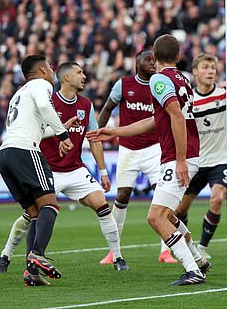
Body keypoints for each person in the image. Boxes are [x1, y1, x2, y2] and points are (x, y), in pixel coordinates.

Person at [88, 35, 210, 286]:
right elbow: (158, 121)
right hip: (182, 154)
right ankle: (198, 260)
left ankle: (192, 270)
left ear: (154, 57)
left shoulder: (158, 79)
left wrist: (180, 160)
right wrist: (115, 131)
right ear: (178, 56)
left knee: (155, 217)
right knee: (168, 215)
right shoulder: (182, 80)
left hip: (177, 156)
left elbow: (176, 116)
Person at [0, 61, 128, 275]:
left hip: (73, 169)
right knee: (37, 213)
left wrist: (102, 171)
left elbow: (93, 139)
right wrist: (63, 136)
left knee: (101, 204)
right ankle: (9, 255)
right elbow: (44, 113)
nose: (84, 76)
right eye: (79, 72)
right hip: (46, 167)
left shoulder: (85, 105)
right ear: (66, 77)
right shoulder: (45, 93)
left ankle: (118, 257)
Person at [0, 54, 74, 286]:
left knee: (35, 213)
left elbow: (35, 130)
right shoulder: (41, 85)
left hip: (5, 155)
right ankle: (37, 255)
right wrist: (63, 134)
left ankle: (32, 273)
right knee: (50, 204)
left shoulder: (19, 94)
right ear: (41, 71)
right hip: (25, 151)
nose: (52, 71)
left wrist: (59, 128)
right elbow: (43, 107)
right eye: (49, 67)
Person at [175, 53, 227, 259]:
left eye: (213, 68)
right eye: (205, 67)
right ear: (195, 72)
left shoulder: (225, 94)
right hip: (195, 161)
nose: (210, 71)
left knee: (217, 199)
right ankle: (187, 244)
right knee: (178, 211)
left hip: (221, 160)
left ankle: (202, 247)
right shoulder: (189, 100)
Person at [97, 50, 178, 265]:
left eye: (155, 60)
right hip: (128, 149)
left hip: (154, 148)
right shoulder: (123, 85)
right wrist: (97, 134)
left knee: (163, 197)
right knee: (122, 196)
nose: (153, 63)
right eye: (148, 59)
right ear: (137, 62)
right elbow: (107, 109)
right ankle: (113, 251)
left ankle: (166, 251)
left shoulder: (160, 85)